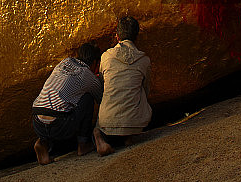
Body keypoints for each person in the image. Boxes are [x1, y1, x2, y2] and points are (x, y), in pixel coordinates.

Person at [32, 42, 103, 165]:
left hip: (36, 120)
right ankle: (83, 144)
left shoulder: (64, 62)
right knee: (87, 99)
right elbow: (101, 99)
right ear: (95, 63)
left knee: (58, 104)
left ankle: (42, 142)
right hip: (59, 126)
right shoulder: (87, 74)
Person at [93, 16, 152, 156]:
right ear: (136, 37)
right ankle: (128, 137)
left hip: (108, 124)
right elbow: (146, 89)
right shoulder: (144, 59)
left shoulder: (106, 57)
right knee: (140, 89)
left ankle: (100, 141)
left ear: (117, 35)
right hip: (136, 124)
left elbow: (101, 86)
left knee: (97, 129)